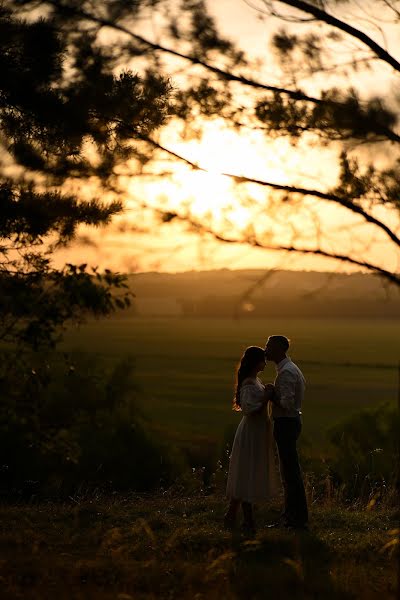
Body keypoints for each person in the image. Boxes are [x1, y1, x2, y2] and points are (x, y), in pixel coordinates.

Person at [224, 346, 279, 533]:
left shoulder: (255, 380)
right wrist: (266, 397)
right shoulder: (248, 383)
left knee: (246, 473)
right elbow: (248, 409)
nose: (265, 363)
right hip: (251, 433)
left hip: (257, 432)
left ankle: (231, 515)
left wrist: (268, 393)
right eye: (263, 360)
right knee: (247, 473)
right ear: (256, 362)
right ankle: (247, 521)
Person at [264, 335, 308, 529]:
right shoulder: (288, 369)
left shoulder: (287, 372)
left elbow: (287, 404)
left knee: (290, 473)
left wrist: (272, 394)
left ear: (280, 349)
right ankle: (292, 516)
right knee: (289, 471)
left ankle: (295, 518)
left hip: (286, 423)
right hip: (289, 423)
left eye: (269, 346)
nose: (265, 350)